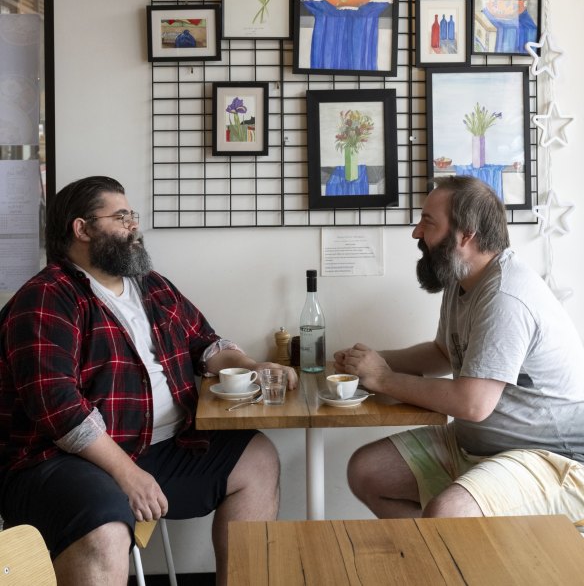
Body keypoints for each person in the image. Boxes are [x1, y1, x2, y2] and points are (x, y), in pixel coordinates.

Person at [0, 175, 297, 586]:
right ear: (82, 229)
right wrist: (126, 474)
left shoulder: (151, 286)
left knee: (257, 458)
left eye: (132, 215)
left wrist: (251, 364)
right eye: (121, 217)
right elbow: (59, 409)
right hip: (58, 464)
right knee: (104, 527)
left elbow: (205, 344)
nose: (133, 226)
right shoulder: (48, 296)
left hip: (153, 449)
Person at [335, 175, 584, 522]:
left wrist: (383, 378)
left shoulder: (506, 296)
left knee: (448, 514)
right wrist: (368, 362)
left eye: (428, 221)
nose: (416, 233)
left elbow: (473, 403)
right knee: (367, 471)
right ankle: (435, 567)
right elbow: (442, 353)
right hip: (478, 445)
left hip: (551, 457)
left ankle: (449, 567)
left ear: (466, 234)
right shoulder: (463, 276)